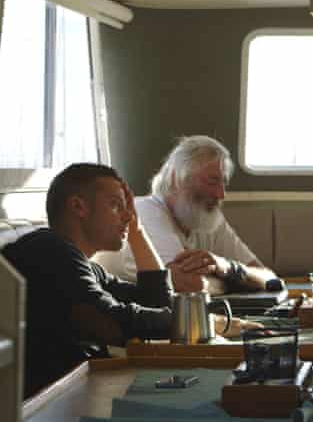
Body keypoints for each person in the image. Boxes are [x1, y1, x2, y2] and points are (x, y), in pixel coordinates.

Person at [1, 164, 260, 398]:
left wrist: (136, 231)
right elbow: (109, 322)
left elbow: (155, 300)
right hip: (37, 410)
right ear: (79, 207)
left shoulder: (85, 266)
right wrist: (202, 323)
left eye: (128, 209)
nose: (126, 215)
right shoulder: (49, 250)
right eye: (116, 205)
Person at [94, 135, 282, 295]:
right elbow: (190, 285)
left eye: (223, 183)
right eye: (212, 181)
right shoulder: (146, 213)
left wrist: (225, 266)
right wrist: (234, 280)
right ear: (177, 179)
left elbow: (268, 277)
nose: (221, 194)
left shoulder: (208, 218)